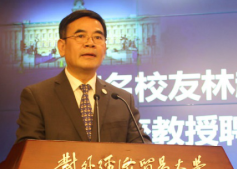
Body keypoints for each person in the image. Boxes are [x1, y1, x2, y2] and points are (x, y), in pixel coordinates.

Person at [15, 10, 150, 143]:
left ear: (105, 48)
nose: (90, 43)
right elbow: (28, 151)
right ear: (62, 47)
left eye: (97, 37)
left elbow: (143, 149)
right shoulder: (37, 97)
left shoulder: (122, 100)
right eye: (80, 36)